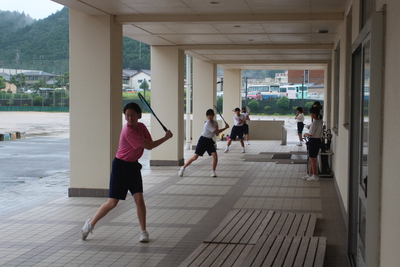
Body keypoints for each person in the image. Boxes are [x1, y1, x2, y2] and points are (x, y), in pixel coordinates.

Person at [80, 102, 173, 242]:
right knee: (112, 203)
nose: (129, 118)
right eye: (127, 115)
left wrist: (147, 143)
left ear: (139, 115)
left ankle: (143, 232)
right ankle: (90, 224)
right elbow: (149, 146)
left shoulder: (141, 127)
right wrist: (165, 138)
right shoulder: (128, 131)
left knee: (139, 200)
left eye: (133, 115)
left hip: (133, 167)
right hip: (121, 167)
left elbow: (149, 142)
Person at [178, 109, 229, 177]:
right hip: (203, 140)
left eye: (211, 115)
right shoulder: (207, 124)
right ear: (206, 116)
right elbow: (218, 131)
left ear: (213, 115)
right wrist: (225, 128)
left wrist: (217, 129)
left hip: (210, 141)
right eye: (208, 115)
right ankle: (182, 168)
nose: (209, 116)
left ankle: (213, 172)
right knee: (195, 157)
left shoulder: (215, 123)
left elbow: (217, 134)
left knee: (215, 156)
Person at [302, 106, 323, 181]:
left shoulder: (314, 123)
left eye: (311, 113)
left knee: (313, 159)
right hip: (317, 141)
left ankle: (315, 175)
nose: (310, 115)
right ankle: (310, 174)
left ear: (314, 114)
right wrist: (309, 127)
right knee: (311, 158)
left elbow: (310, 134)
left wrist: (305, 134)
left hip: (313, 141)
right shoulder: (320, 121)